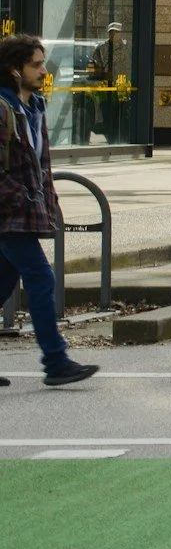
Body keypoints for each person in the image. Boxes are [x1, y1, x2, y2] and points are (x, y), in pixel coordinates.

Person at [0, 33, 100, 387]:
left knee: (3, 283)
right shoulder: (3, 108)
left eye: (43, 63)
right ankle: (55, 362)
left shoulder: (35, 107)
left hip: (26, 212)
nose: (44, 71)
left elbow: (41, 164)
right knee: (41, 279)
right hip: (9, 215)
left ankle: (56, 362)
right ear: (15, 70)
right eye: (36, 65)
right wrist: (23, 199)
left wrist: (49, 201)